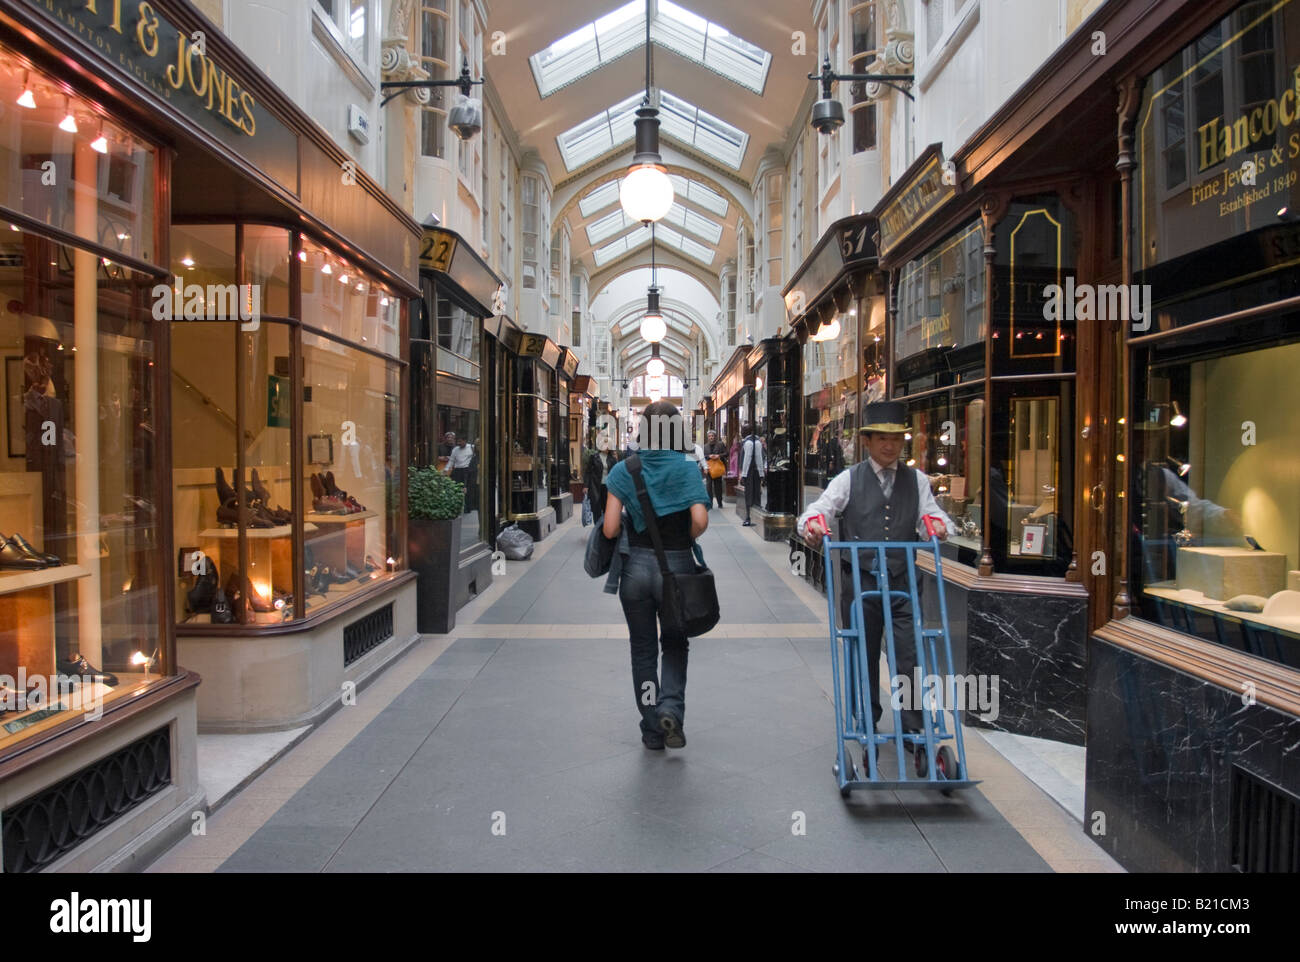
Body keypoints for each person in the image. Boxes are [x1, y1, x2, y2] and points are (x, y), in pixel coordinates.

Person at [798, 401, 956, 740]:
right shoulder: (848, 479)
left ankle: (913, 727)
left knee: (909, 654)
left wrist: (939, 527)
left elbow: (932, 516)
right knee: (862, 652)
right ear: (866, 441)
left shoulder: (917, 480)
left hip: (904, 581)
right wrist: (813, 526)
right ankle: (866, 721)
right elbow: (820, 509)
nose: (889, 446)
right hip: (861, 581)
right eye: (882, 438)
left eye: (896, 439)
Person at [602, 401, 710, 751]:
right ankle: (671, 709)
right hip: (676, 570)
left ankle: (652, 728)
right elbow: (700, 521)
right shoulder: (686, 467)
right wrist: (682, 539)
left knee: (643, 650)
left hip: (635, 571)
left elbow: (609, 528)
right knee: (675, 643)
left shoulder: (625, 469)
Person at [739, 423, 765, 527]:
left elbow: (749, 459)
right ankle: (752, 516)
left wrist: (744, 474)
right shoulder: (752, 441)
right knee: (754, 494)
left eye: (743, 430)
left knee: (750, 495)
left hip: (751, 472)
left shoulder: (750, 442)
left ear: (748, 431)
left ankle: (749, 517)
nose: (741, 432)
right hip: (754, 471)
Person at [585, 445, 618, 525]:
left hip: (608, 487)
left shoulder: (612, 459)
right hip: (595, 486)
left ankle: (606, 526)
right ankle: (597, 526)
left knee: (607, 507)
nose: (607, 447)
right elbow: (588, 472)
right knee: (596, 508)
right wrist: (586, 486)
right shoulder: (594, 457)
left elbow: (616, 473)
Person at [703, 429, 727, 509]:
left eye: (712, 436)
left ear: (715, 436)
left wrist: (718, 456)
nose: (711, 437)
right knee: (708, 487)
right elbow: (703, 456)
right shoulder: (705, 446)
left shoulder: (720, 444)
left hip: (717, 468)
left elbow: (726, 453)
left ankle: (720, 503)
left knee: (718, 487)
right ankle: (710, 503)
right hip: (709, 469)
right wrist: (708, 456)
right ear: (708, 437)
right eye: (709, 436)